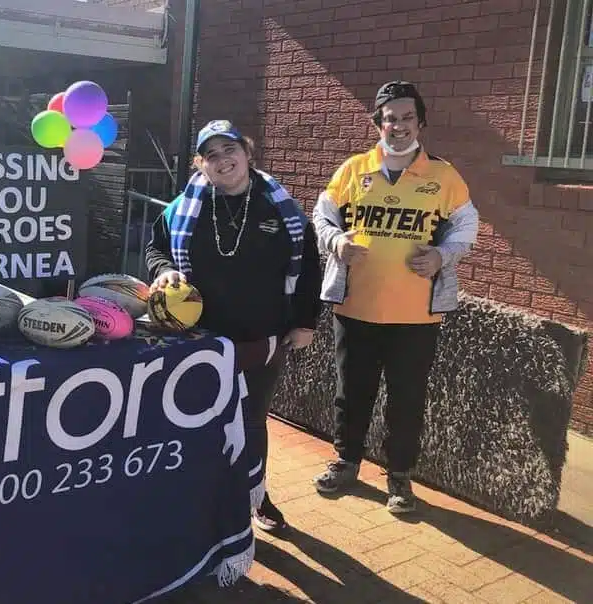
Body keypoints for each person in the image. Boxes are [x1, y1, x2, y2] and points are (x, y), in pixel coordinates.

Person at [310, 81, 479, 513]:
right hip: (356, 308)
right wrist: (335, 243)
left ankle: (400, 478)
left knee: (406, 398)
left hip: (416, 315)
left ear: (420, 122)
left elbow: (466, 227)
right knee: (352, 392)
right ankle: (346, 462)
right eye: (390, 117)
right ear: (378, 123)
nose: (398, 125)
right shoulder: (353, 169)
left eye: (406, 117)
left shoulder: (444, 175)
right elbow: (322, 214)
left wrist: (443, 254)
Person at [146, 119, 322, 533]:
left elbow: (309, 264)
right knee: (197, 419)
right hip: (199, 338)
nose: (223, 160)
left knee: (252, 419)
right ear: (201, 165)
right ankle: (201, 498)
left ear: (247, 151)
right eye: (212, 155)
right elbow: (156, 246)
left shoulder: (280, 207)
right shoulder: (185, 207)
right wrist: (165, 268)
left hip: (261, 336)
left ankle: (255, 495)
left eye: (230, 150)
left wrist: (305, 322)